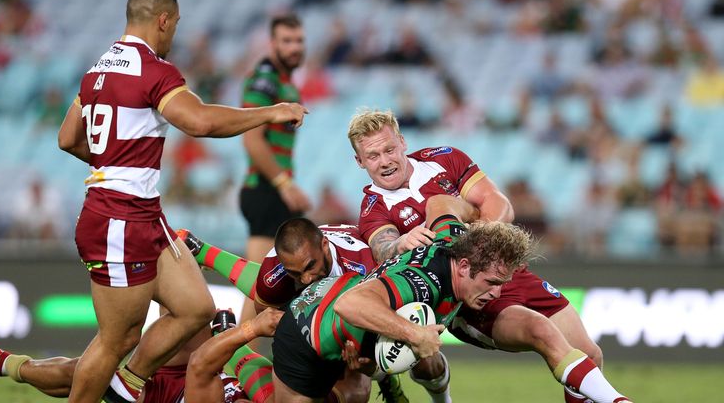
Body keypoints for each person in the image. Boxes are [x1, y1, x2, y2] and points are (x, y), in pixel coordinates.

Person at [57, 0, 307, 403]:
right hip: (119, 219)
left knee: (196, 309)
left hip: (144, 215)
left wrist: (114, 163)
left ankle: (127, 387)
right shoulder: (155, 71)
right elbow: (201, 122)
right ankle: (111, 385)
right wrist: (271, 112)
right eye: (174, 26)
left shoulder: (97, 70)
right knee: (115, 341)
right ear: (163, 20)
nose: (173, 35)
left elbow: (67, 138)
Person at [347, 109, 624, 403]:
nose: (385, 161)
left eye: (389, 149)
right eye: (373, 156)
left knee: (590, 353)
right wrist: (401, 242)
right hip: (467, 297)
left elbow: (499, 204)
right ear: (360, 161)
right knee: (539, 332)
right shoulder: (373, 209)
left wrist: (474, 244)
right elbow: (384, 248)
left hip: (506, 270)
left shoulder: (444, 158)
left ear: (402, 142)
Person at [270, 196, 526, 402]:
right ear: (464, 267)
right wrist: (415, 335)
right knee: (353, 394)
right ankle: (234, 370)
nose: (497, 293)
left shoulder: (453, 239)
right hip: (304, 332)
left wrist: (485, 227)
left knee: (428, 361)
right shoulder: (420, 283)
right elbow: (349, 304)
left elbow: (439, 202)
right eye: (492, 283)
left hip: (347, 332)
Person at [179, 220, 404, 403]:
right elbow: (267, 317)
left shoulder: (366, 268)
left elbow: (382, 326)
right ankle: (200, 252)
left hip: (364, 299)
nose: (306, 278)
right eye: (295, 273)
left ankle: (223, 331)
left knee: (361, 376)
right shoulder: (275, 270)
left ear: (325, 246)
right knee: (352, 393)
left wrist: (372, 362)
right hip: (318, 308)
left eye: (309, 267)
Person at [0, 308, 283, 403]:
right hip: (197, 371)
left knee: (85, 375)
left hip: (172, 394)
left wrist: (239, 333)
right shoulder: (267, 398)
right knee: (190, 311)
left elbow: (204, 366)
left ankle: (4, 363)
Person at [239, 13, 312, 339]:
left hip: (273, 192)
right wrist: (284, 183)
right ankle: (238, 364)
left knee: (270, 290)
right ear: (272, 44)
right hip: (266, 190)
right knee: (259, 289)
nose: (294, 47)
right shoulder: (265, 80)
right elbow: (252, 139)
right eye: (287, 41)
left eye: (299, 41)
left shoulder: (286, 82)